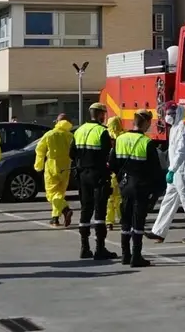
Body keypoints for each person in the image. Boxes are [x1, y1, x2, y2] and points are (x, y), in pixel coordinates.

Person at [110, 111, 165, 266]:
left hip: (125, 186)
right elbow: (155, 170)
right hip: (141, 187)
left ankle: (125, 255)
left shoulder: (120, 139)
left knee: (125, 221)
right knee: (138, 221)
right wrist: (156, 192)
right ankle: (136, 257)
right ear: (146, 123)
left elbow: (112, 163)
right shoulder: (146, 142)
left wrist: (121, 180)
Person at [146, 102, 185, 244]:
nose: (167, 116)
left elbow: (181, 152)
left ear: (176, 114)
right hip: (175, 171)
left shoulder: (183, 130)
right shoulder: (174, 129)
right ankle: (158, 231)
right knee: (168, 201)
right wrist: (172, 169)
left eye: (169, 114)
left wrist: (172, 170)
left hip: (182, 171)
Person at [72, 102, 117, 260]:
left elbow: (72, 153)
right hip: (98, 175)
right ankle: (100, 248)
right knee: (99, 212)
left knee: (85, 210)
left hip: (82, 175)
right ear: (100, 115)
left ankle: (84, 248)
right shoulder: (102, 132)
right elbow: (108, 155)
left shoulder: (79, 130)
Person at [34, 113, 74, 228]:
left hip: (52, 165)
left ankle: (65, 209)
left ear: (57, 122)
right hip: (66, 167)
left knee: (51, 193)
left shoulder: (50, 134)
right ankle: (55, 218)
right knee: (60, 193)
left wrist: (38, 165)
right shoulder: (70, 136)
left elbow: (40, 150)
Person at [105, 115, 125, 231]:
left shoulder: (106, 136)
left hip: (110, 170)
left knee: (110, 198)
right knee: (120, 197)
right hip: (122, 171)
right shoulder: (124, 136)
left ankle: (109, 221)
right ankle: (121, 217)